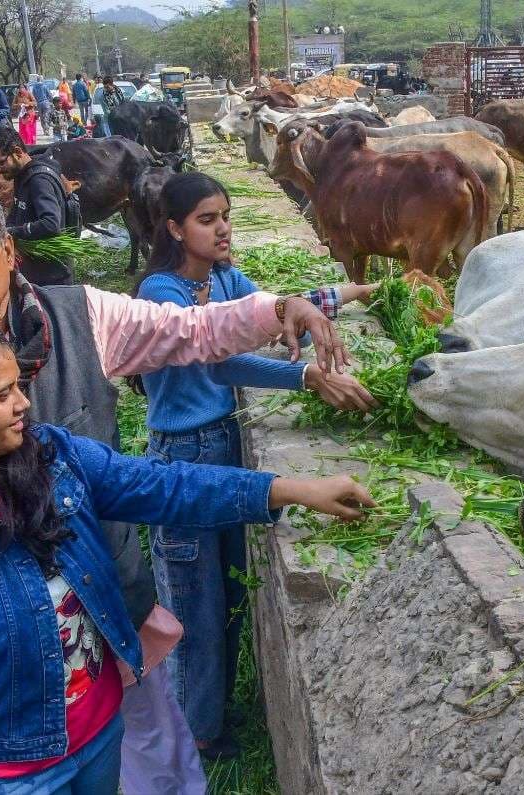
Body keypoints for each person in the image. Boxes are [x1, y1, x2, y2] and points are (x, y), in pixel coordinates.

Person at [0, 182, 349, 793]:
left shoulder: (79, 324)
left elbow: (189, 335)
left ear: (9, 250)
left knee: (150, 759)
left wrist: (277, 311)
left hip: (105, 606)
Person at [133, 172, 376, 760]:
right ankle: (194, 740)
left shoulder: (224, 278)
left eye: (225, 216)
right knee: (193, 607)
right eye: (206, 219)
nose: (222, 229)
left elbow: (272, 314)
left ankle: (209, 715)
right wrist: (305, 375)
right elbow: (219, 362)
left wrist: (350, 293)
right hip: (183, 456)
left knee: (231, 593)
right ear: (174, 228)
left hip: (224, 444)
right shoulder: (159, 296)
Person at [0, 126, 72, 285]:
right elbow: (18, 212)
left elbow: (51, 224)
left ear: (17, 152)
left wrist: (13, 231)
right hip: (36, 269)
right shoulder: (21, 175)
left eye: (0, 163)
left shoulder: (39, 181)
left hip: (52, 276)